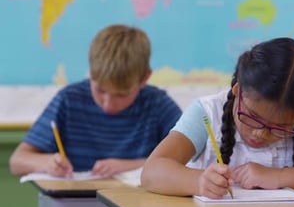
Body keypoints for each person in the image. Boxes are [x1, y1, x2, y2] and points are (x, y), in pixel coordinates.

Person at [141, 37, 294, 198]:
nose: (260, 133)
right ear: (238, 91)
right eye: (252, 117)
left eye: (281, 127)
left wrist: (280, 177)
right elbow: (153, 172)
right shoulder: (207, 113)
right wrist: (199, 181)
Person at [9, 24, 182, 178]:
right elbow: (17, 161)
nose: (108, 104)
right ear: (91, 73)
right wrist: (47, 162)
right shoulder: (69, 100)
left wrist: (130, 166)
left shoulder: (158, 105)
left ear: (144, 78)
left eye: (122, 95)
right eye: (100, 90)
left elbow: (192, 161)